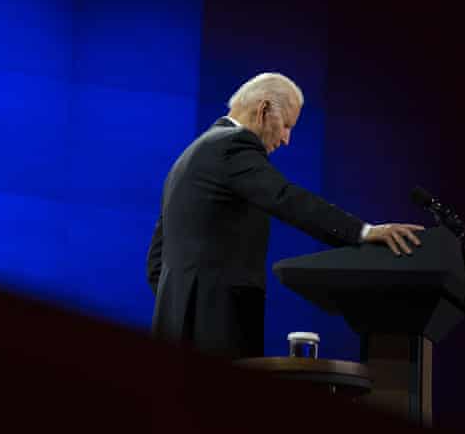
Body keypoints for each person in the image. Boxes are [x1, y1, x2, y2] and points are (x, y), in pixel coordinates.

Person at [145, 72, 423, 359]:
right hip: (218, 328)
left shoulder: (189, 157)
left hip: (173, 325)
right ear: (264, 110)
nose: (287, 139)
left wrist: (183, 306)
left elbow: (156, 262)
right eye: (287, 125)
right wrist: (363, 232)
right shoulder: (233, 145)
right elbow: (286, 198)